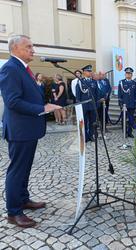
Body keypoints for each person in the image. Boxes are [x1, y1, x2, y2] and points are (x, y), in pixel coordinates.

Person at [0, 35, 60, 228]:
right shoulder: (10, 69)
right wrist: (42, 108)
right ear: (15, 48)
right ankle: (13, 212)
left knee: (24, 168)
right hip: (19, 130)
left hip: (28, 129)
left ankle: (23, 199)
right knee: (17, 170)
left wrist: (43, 105)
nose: (33, 50)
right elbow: (13, 102)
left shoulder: (22, 68)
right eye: (28, 47)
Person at [76, 65, 100, 142]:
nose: (90, 72)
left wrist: (96, 105)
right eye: (88, 71)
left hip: (92, 106)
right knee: (84, 122)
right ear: (84, 72)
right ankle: (85, 137)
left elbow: (97, 94)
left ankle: (91, 136)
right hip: (84, 106)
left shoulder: (94, 82)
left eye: (90, 71)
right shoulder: (80, 82)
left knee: (92, 122)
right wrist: (79, 106)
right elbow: (78, 95)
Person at [118, 67, 136, 138]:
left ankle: (130, 132)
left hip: (132, 104)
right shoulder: (121, 82)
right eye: (127, 73)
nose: (128, 75)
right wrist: (120, 103)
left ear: (132, 75)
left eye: (129, 73)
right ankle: (124, 132)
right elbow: (120, 93)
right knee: (124, 119)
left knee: (131, 119)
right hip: (124, 104)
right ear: (125, 74)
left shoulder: (134, 83)